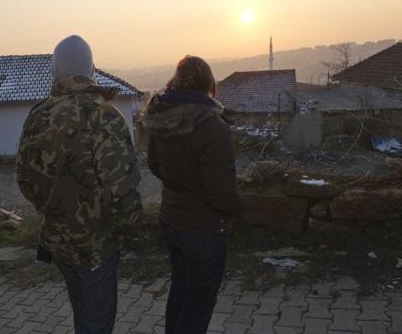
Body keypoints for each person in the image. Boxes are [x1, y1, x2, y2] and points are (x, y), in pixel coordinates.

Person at [16, 35, 143, 334]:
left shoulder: (38, 115)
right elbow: (122, 188)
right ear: (91, 69)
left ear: (55, 70)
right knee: (96, 321)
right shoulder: (105, 116)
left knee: (82, 312)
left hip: (59, 242)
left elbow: (24, 180)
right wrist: (128, 228)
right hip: (97, 246)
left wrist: (54, 210)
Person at [143, 56, 244, 334]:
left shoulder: (160, 116)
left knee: (181, 289)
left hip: (170, 221)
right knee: (198, 303)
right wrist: (241, 208)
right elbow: (222, 193)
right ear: (209, 85)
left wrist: (180, 184)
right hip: (204, 230)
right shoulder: (214, 128)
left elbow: (154, 165)